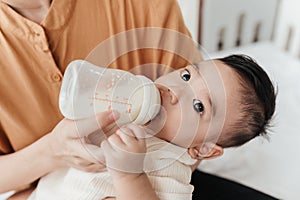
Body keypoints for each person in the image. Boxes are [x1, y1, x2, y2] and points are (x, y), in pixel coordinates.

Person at [0, 0, 201, 199]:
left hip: (153, 180)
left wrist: (133, 182)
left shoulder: (144, 6)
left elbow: (206, 122)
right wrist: (52, 152)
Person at [28, 54, 276, 200]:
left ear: (203, 150)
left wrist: (130, 175)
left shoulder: (172, 172)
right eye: (187, 76)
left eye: (199, 106)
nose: (175, 92)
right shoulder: (125, 109)